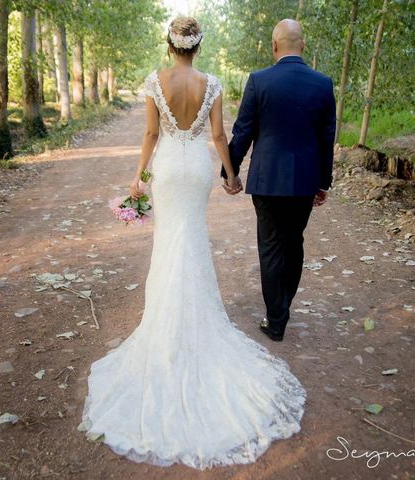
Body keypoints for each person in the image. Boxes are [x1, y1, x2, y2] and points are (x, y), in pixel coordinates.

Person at [78, 17, 306, 470]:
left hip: (167, 169)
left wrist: (139, 177)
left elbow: (150, 134)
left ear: (170, 45)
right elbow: (220, 135)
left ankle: (164, 329)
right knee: (191, 239)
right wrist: (232, 174)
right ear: (198, 47)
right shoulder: (212, 82)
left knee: (169, 244)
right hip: (197, 169)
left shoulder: (154, 81)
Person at [223, 19, 336, 342]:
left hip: (267, 180)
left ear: (274, 46)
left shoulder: (259, 81)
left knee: (271, 248)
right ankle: (282, 307)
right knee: (294, 242)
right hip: (304, 182)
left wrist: (230, 172)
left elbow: (243, 131)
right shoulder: (322, 83)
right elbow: (327, 138)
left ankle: (276, 319)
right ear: (303, 45)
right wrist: (323, 182)